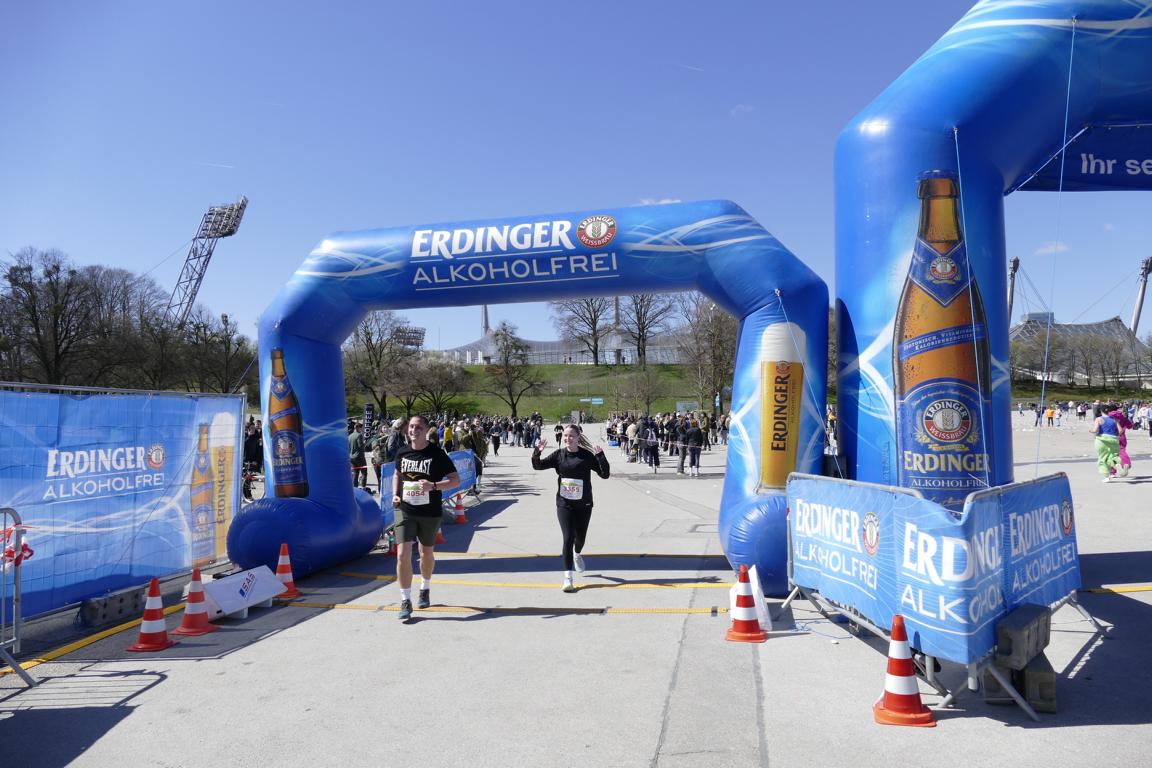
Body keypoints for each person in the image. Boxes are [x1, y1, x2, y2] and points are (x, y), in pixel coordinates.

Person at [392, 415, 460, 620]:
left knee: (426, 553)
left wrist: (434, 486)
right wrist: (395, 493)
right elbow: (397, 474)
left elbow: (455, 480)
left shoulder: (436, 454)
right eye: (411, 427)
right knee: (402, 554)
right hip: (405, 509)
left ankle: (425, 587)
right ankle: (405, 600)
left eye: (418, 427)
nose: (413, 430)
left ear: (427, 430)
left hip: (429, 512)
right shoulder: (402, 452)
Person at [531, 424, 610, 593]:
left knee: (579, 539)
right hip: (564, 503)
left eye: (571, 435)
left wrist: (601, 456)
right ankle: (568, 578)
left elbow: (605, 474)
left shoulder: (586, 456)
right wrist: (537, 452)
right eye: (565, 435)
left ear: (578, 437)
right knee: (568, 538)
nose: (567, 438)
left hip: (584, 504)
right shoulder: (559, 455)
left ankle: (577, 554)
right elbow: (537, 466)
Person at [1090, 405, 1124, 482]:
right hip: (1113, 439)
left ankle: (1106, 476)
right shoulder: (1114, 419)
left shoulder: (1098, 419)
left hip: (1102, 440)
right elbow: (1120, 430)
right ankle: (1117, 464)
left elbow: (1095, 430)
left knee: (1102, 457)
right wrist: (1116, 436)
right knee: (1114, 455)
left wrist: (1091, 430)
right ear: (1109, 411)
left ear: (1101, 411)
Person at [349, 422, 368, 489]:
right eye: (361, 428)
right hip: (359, 457)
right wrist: (364, 444)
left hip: (351, 457)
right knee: (364, 473)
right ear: (358, 428)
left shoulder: (350, 436)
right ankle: (363, 488)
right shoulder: (359, 435)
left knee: (355, 473)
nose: (362, 430)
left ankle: (355, 489)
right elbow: (361, 446)